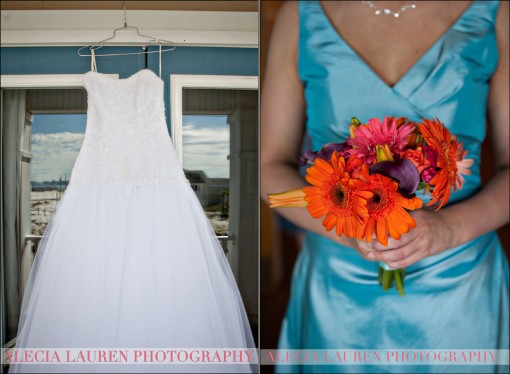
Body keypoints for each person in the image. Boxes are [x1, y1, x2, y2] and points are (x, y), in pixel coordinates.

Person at [261, 1, 509, 373]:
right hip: (338, 284)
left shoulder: (496, 10)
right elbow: (268, 167)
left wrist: (447, 230)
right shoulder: (300, 14)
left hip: (458, 279)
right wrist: (349, 231)